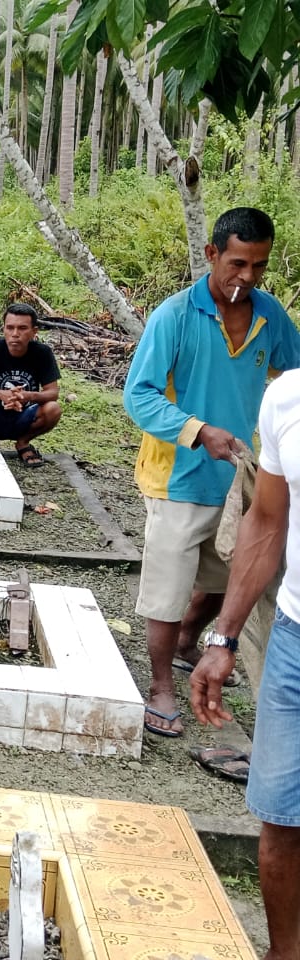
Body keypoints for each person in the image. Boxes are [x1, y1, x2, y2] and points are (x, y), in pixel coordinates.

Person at [125, 206, 300, 739]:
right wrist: (198, 431)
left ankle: (188, 641)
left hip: (240, 479)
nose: (247, 276)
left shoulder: (270, 316)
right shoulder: (175, 316)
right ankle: (161, 686)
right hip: (177, 477)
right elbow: (138, 396)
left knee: (237, 577)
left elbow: (294, 378)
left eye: (259, 266)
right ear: (212, 254)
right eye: (238, 263)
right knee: (167, 589)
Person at [190, 368, 300, 960]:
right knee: (281, 818)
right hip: (295, 640)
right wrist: (223, 637)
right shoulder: (287, 397)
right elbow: (267, 518)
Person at [0, 303, 63, 465]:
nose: (15, 334)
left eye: (22, 328)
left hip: (26, 415)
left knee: (53, 409)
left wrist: (27, 396)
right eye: (10, 328)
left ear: (34, 332)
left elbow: (53, 393)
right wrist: (2, 395)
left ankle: (23, 443)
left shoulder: (42, 353)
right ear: (3, 329)